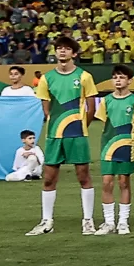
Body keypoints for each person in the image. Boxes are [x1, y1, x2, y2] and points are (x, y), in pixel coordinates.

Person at [29, 36, 98, 236]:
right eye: (59, 48)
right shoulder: (46, 78)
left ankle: (87, 221)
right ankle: (47, 221)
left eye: (66, 49)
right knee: (49, 178)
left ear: (74, 53)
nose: (62, 52)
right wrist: (55, 123)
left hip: (77, 133)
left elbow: (91, 106)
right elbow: (45, 107)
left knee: (83, 176)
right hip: (54, 135)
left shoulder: (84, 76)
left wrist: (82, 125)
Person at [93, 64, 134, 235]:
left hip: (126, 147)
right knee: (107, 182)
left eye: (121, 77)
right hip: (108, 146)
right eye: (115, 77)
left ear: (129, 81)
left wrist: (132, 142)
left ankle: (123, 221)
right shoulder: (106, 100)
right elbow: (104, 123)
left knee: (123, 182)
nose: (118, 80)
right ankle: (108, 222)